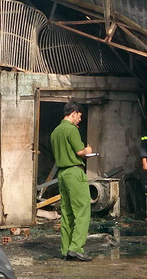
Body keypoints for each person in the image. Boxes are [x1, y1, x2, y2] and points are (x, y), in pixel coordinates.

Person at [50, 101, 93, 262]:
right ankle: (76, 248)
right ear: (73, 113)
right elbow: (80, 152)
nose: (80, 120)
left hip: (62, 174)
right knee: (82, 209)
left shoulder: (55, 132)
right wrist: (88, 150)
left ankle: (66, 248)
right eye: (79, 116)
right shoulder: (71, 130)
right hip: (75, 172)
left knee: (67, 213)